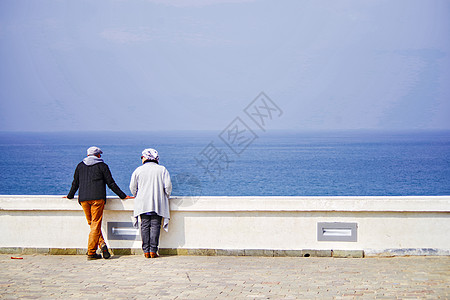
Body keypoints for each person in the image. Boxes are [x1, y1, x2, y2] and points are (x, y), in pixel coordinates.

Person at [66, 146, 132, 260]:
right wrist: (123, 195)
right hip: (97, 198)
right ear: (98, 155)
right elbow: (111, 183)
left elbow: (75, 183)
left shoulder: (80, 166)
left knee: (92, 224)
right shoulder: (102, 166)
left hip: (84, 199)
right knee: (95, 224)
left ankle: (102, 245)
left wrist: (69, 196)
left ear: (87, 155)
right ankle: (91, 252)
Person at [130, 148, 172, 258]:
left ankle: (146, 251)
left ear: (146, 157)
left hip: (143, 203)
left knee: (144, 225)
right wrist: (165, 196)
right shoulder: (162, 170)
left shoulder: (138, 170)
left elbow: (133, 188)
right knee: (155, 226)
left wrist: (137, 195)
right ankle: (153, 250)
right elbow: (168, 187)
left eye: (142, 157)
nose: (141, 159)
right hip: (157, 203)